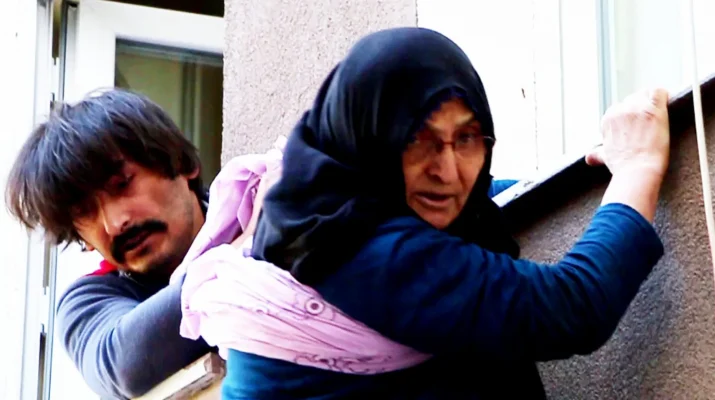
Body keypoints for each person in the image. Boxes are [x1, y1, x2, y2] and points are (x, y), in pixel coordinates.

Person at [202, 27, 668, 399]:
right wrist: (638, 165)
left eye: (466, 138)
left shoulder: (319, 210)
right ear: (368, 138)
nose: (447, 171)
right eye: (416, 139)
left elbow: (485, 200)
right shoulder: (367, 253)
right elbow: (575, 306)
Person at [5, 90, 234, 399]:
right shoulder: (88, 302)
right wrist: (257, 252)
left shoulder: (250, 206)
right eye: (85, 212)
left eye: (122, 184)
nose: (115, 223)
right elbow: (129, 364)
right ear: (82, 239)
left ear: (181, 164)